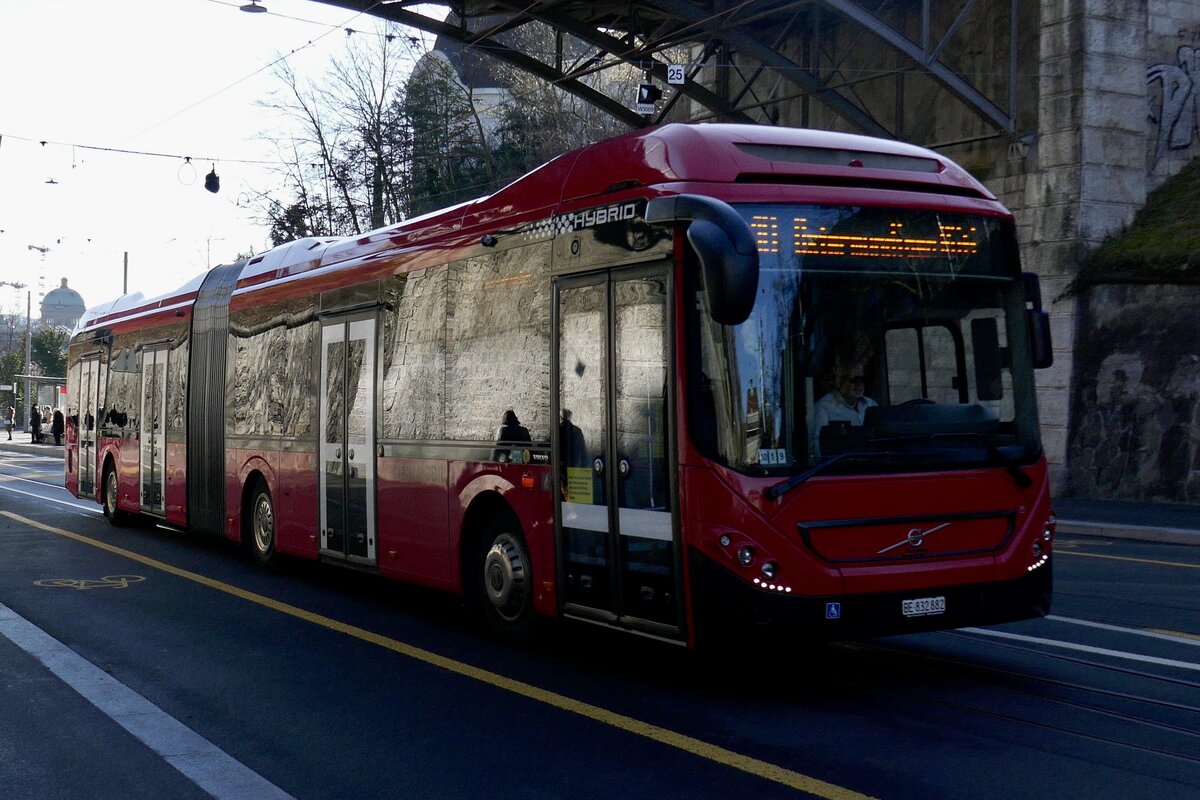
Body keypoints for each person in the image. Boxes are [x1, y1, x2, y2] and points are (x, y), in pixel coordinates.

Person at [814, 363, 877, 429]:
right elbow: (817, 438)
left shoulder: (871, 404)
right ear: (840, 382)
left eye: (862, 379)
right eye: (854, 379)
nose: (859, 384)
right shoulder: (823, 407)